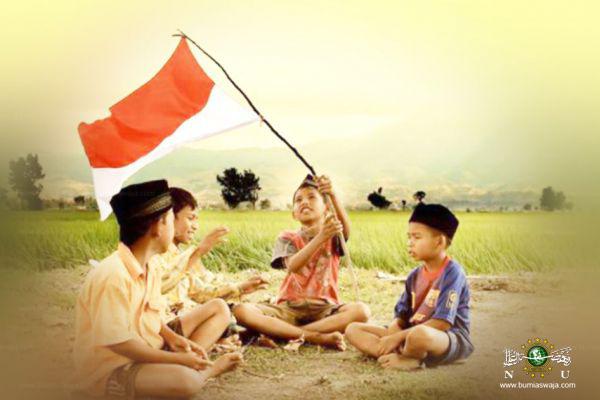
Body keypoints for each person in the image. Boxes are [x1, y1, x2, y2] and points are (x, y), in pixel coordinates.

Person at [73, 180, 242, 399]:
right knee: (186, 381)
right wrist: (177, 359)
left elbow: (151, 316)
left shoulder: (150, 266)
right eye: (171, 220)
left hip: (148, 348)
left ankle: (181, 368)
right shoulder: (112, 275)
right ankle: (207, 371)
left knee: (218, 309)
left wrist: (173, 339)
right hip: (116, 367)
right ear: (157, 225)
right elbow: (119, 343)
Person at [233, 175, 370, 350]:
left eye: (312, 197)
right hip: (289, 307)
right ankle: (314, 336)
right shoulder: (287, 237)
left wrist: (332, 195)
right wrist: (321, 237)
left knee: (361, 311)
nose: (304, 202)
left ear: (327, 208)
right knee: (241, 311)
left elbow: (345, 229)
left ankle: (283, 333)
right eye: (298, 200)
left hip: (324, 309)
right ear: (294, 213)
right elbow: (293, 266)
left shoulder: (334, 235)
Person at [345, 203, 473, 370]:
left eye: (417, 237)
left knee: (419, 335)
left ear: (439, 242)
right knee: (353, 329)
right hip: (409, 333)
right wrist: (395, 328)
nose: (410, 243)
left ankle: (411, 359)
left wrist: (397, 337)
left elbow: (443, 323)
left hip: (444, 338)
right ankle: (391, 352)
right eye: (409, 237)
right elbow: (401, 314)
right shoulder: (414, 275)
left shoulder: (453, 273)